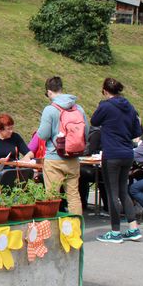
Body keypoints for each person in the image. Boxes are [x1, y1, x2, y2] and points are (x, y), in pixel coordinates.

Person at [90, 78, 143, 243]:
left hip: (111, 154)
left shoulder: (105, 106)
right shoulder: (130, 107)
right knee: (122, 191)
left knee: (112, 193)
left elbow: (94, 121)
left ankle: (115, 232)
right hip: (127, 153)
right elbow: (137, 131)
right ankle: (133, 228)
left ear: (105, 91)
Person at [36, 76, 89, 215]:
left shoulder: (50, 110)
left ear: (49, 92)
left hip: (54, 158)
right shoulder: (78, 108)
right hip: (73, 158)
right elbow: (86, 132)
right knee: (73, 196)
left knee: (52, 197)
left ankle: (53, 228)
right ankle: (76, 227)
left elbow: (43, 135)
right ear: (61, 88)